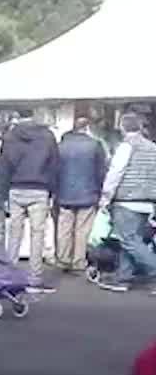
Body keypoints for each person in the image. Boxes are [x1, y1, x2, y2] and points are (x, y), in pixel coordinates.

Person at [0, 112, 60, 292]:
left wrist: (2, 194)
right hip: (39, 189)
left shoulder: (10, 137)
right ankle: (34, 278)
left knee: (15, 233)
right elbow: (55, 165)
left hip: (15, 189)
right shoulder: (48, 137)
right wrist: (53, 191)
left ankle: (9, 275)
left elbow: (3, 167)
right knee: (37, 234)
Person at [96, 113, 156, 294]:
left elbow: (116, 172)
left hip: (126, 201)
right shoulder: (153, 147)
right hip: (147, 202)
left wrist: (105, 197)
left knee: (129, 240)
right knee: (130, 240)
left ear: (122, 127)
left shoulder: (125, 147)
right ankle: (123, 278)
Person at [56, 117, 108, 274]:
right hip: (88, 193)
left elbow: (54, 169)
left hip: (64, 193)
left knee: (64, 228)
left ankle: (63, 259)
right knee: (83, 229)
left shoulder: (60, 146)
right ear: (87, 128)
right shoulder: (95, 145)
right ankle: (79, 261)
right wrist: (100, 191)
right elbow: (101, 171)